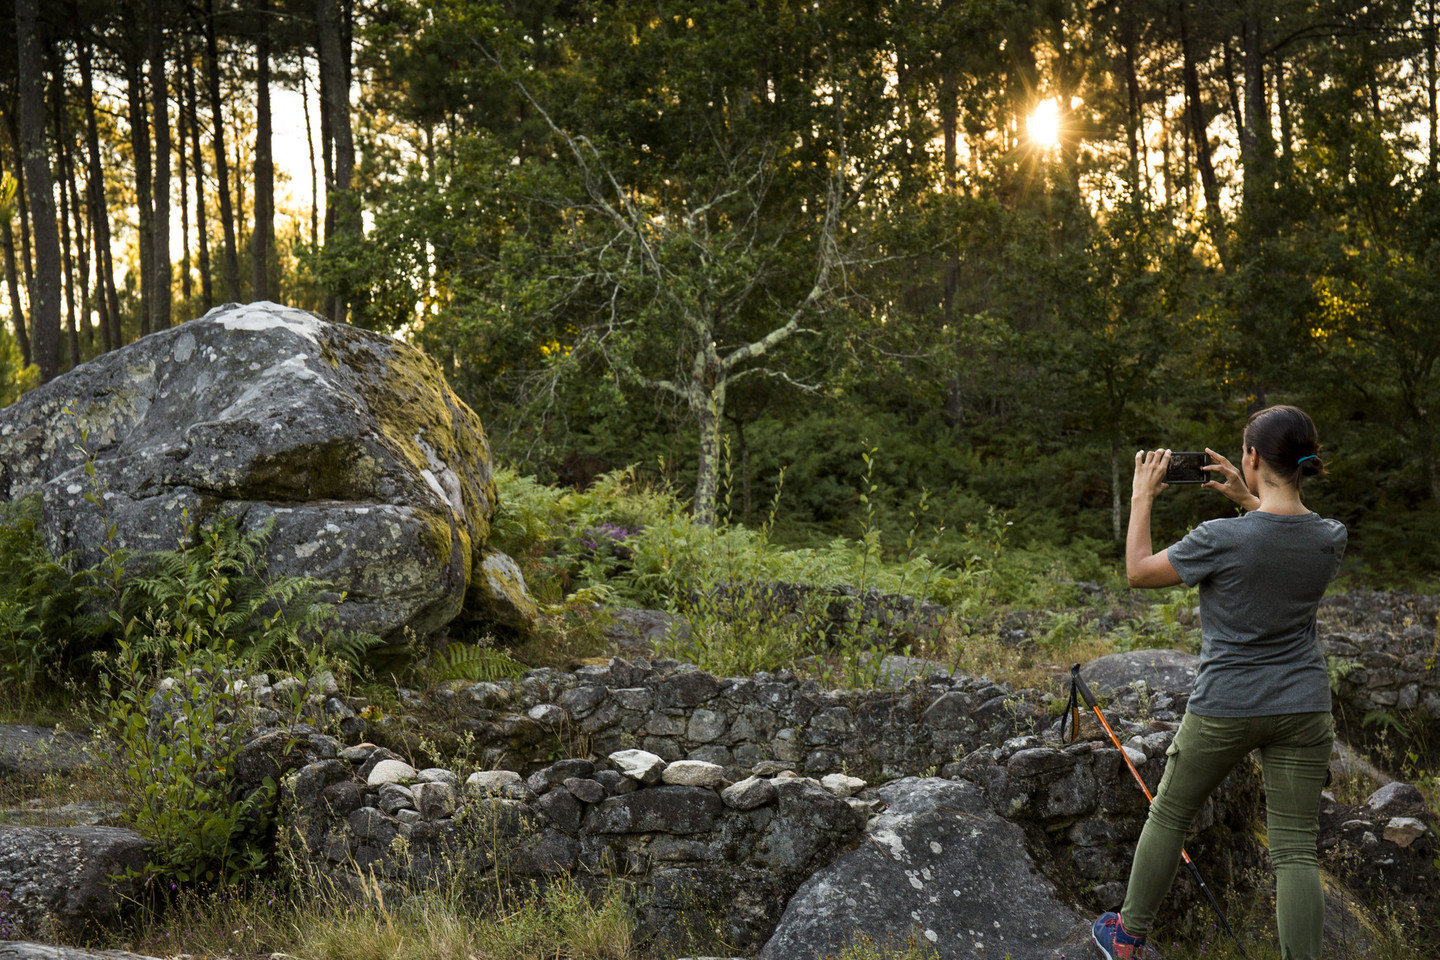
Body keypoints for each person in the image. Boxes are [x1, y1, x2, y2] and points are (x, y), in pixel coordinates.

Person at [1090, 405, 1347, 960]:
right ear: (1303, 461)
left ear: (1251, 457)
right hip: (1304, 705)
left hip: (1227, 705)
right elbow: (1281, 532)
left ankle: (1128, 938)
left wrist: (1142, 497)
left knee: (1170, 814)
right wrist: (1249, 498)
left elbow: (1138, 572)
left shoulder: (1220, 539)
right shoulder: (1330, 537)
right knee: (1296, 852)